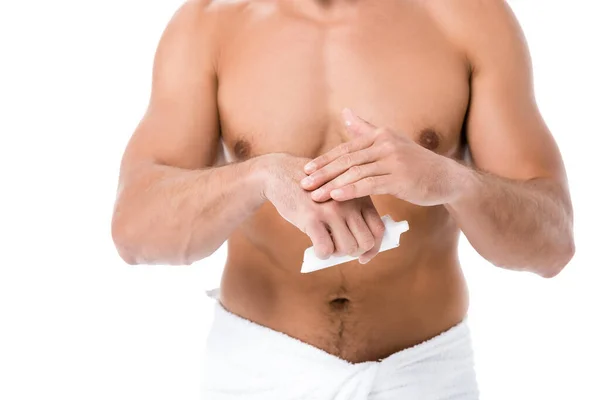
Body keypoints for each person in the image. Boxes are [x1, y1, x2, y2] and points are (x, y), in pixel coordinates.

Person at [111, 0, 575, 398]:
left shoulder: (469, 18)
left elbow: (553, 245)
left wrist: (452, 181)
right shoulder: (209, 24)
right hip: (257, 373)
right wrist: (258, 176)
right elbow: (134, 232)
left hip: (422, 376)